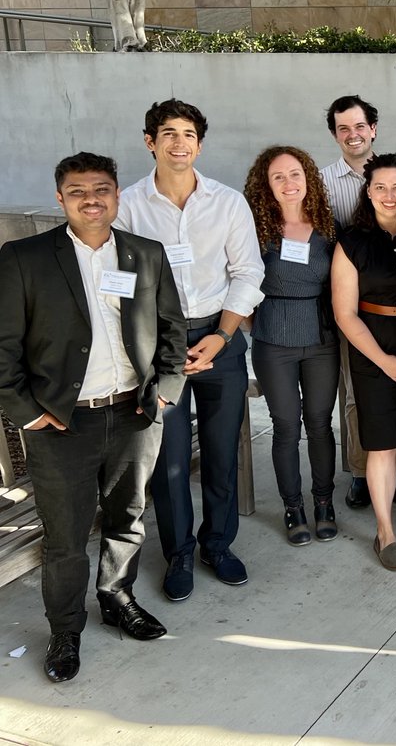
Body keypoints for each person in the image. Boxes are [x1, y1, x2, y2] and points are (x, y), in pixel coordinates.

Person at [0, 152, 186, 683]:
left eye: (101, 188)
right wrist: (27, 414)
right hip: (61, 425)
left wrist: (166, 393)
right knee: (64, 537)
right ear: (60, 198)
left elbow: (172, 331)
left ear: (116, 195)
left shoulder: (144, 255)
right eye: (77, 190)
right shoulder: (24, 258)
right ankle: (65, 631)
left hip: (134, 413)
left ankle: (117, 597)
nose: (91, 198)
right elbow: (3, 348)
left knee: (127, 518)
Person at [116, 99, 264, 600]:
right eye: (168, 133)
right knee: (169, 459)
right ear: (149, 141)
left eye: (188, 134)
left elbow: (247, 273)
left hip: (219, 338)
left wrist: (221, 337)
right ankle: (178, 552)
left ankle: (217, 545)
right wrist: (152, 342)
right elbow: (116, 279)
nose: (179, 142)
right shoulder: (129, 205)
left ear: (199, 143)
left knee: (223, 453)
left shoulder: (227, 203)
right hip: (159, 344)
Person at [331, 154, 396, 571]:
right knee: (382, 440)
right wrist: (385, 360)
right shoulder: (352, 242)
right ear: (367, 191)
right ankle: (384, 531)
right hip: (374, 349)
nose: (389, 195)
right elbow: (345, 313)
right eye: (380, 187)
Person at [244, 145, 340, 546]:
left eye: (295, 174)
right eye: (278, 176)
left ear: (309, 180)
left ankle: (322, 502)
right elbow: (239, 281)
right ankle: (292, 506)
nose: (288, 183)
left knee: (319, 423)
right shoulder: (254, 229)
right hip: (273, 342)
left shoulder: (329, 228)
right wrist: (256, 324)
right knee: (285, 426)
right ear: (266, 185)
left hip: (321, 339)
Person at [319, 94, 381, 511]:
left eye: (359, 126)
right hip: (348, 304)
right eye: (344, 128)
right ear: (335, 134)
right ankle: (360, 472)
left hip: (393, 304)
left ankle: (395, 465)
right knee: (355, 392)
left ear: (372, 129)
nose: (353, 135)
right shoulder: (322, 182)